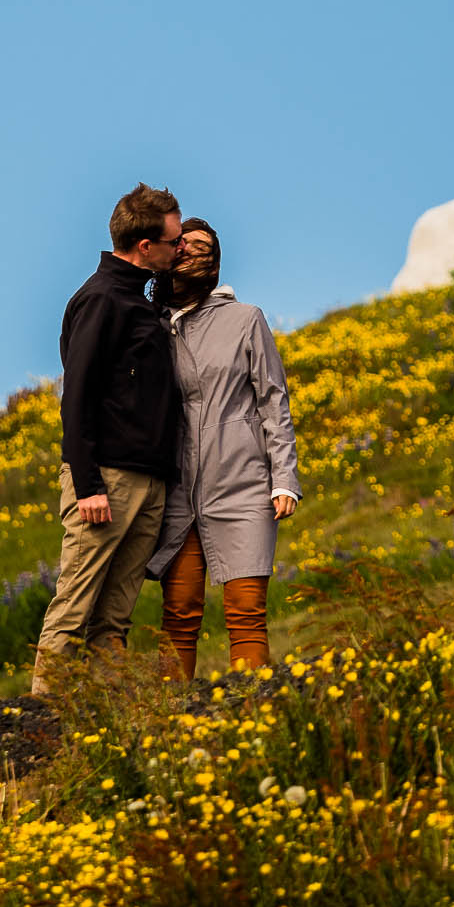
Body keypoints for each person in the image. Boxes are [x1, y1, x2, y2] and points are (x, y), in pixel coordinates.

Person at [30, 183, 185, 694]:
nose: (180, 249)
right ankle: (41, 720)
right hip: (107, 481)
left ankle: (107, 719)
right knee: (74, 608)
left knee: (114, 617)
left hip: (148, 479)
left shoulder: (139, 299)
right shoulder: (100, 300)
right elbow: (77, 396)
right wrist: (88, 484)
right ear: (146, 246)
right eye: (174, 242)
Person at [149, 218, 302, 678]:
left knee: (246, 611)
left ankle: (252, 711)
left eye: (204, 246)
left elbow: (273, 399)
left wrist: (284, 479)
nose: (193, 252)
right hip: (177, 494)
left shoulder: (245, 319)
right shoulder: (152, 325)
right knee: (178, 614)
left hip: (243, 486)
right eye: (184, 244)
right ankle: (170, 714)